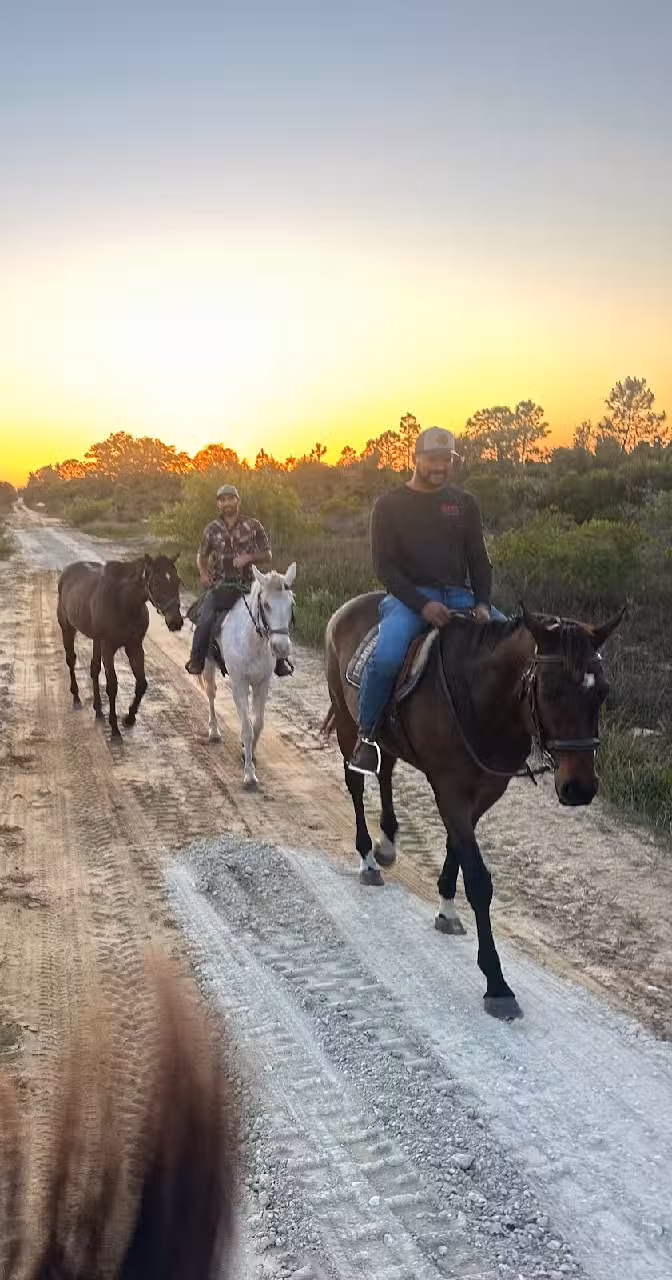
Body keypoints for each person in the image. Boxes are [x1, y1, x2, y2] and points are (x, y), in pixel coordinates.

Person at [348, 426, 505, 775]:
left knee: (515, 645)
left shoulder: (464, 504)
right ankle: (367, 735)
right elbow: (385, 568)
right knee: (387, 658)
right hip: (409, 600)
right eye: (432, 458)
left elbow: (479, 559)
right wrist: (423, 605)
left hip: (462, 596)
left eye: (446, 459)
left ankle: (516, 735)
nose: (439, 466)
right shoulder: (389, 506)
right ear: (416, 458)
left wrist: (481, 603)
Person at [185, 483, 293, 677]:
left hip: (249, 586)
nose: (227, 503)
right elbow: (201, 556)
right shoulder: (211, 529)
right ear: (219, 504)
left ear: (238, 501)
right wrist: (203, 572)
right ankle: (197, 659)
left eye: (231, 498)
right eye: (223, 500)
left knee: (274, 611)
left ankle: (280, 661)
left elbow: (267, 554)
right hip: (221, 586)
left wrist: (248, 558)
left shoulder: (253, 525)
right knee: (206, 616)